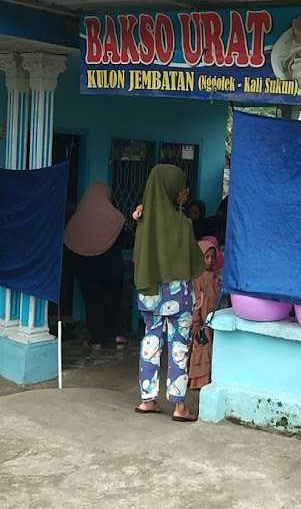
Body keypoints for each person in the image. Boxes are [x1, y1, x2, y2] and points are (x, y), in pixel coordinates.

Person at [133, 164, 205, 421]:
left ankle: (147, 400)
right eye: (182, 189)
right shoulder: (183, 224)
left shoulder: (142, 221)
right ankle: (179, 406)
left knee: (150, 342)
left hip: (150, 292)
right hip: (178, 296)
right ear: (170, 189)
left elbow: (138, 258)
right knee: (179, 346)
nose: (185, 193)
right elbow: (196, 262)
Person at [63, 182, 130, 349]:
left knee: (93, 303)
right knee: (114, 301)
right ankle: (118, 335)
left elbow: (69, 243)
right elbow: (127, 241)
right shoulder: (116, 217)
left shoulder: (77, 218)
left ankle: (97, 339)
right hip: (112, 268)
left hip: (86, 268)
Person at [188, 239, 221, 390]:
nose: (210, 261)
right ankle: (197, 381)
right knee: (200, 351)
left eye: (213, 257)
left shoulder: (214, 277)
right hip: (201, 323)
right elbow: (196, 302)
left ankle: (203, 380)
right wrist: (196, 322)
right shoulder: (197, 278)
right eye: (206, 257)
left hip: (210, 321)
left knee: (207, 350)